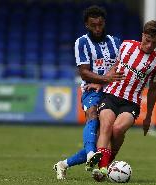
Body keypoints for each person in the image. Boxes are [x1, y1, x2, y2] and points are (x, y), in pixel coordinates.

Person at [53, 6, 123, 180]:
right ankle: (92, 155)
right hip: (91, 90)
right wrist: (105, 79)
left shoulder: (116, 42)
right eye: (93, 26)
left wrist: (109, 81)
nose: (97, 29)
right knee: (91, 114)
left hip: (113, 93)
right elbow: (83, 72)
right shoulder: (82, 42)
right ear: (87, 25)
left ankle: (63, 164)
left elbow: (122, 65)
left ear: (104, 23)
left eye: (100, 25)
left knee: (105, 138)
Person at [91, 20, 156, 181]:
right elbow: (115, 67)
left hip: (130, 103)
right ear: (143, 35)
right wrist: (101, 81)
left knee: (117, 129)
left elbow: (153, 90)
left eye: (154, 43)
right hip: (111, 95)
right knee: (105, 126)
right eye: (147, 40)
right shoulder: (126, 45)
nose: (149, 45)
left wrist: (148, 116)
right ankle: (103, 169)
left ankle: (109, 160)